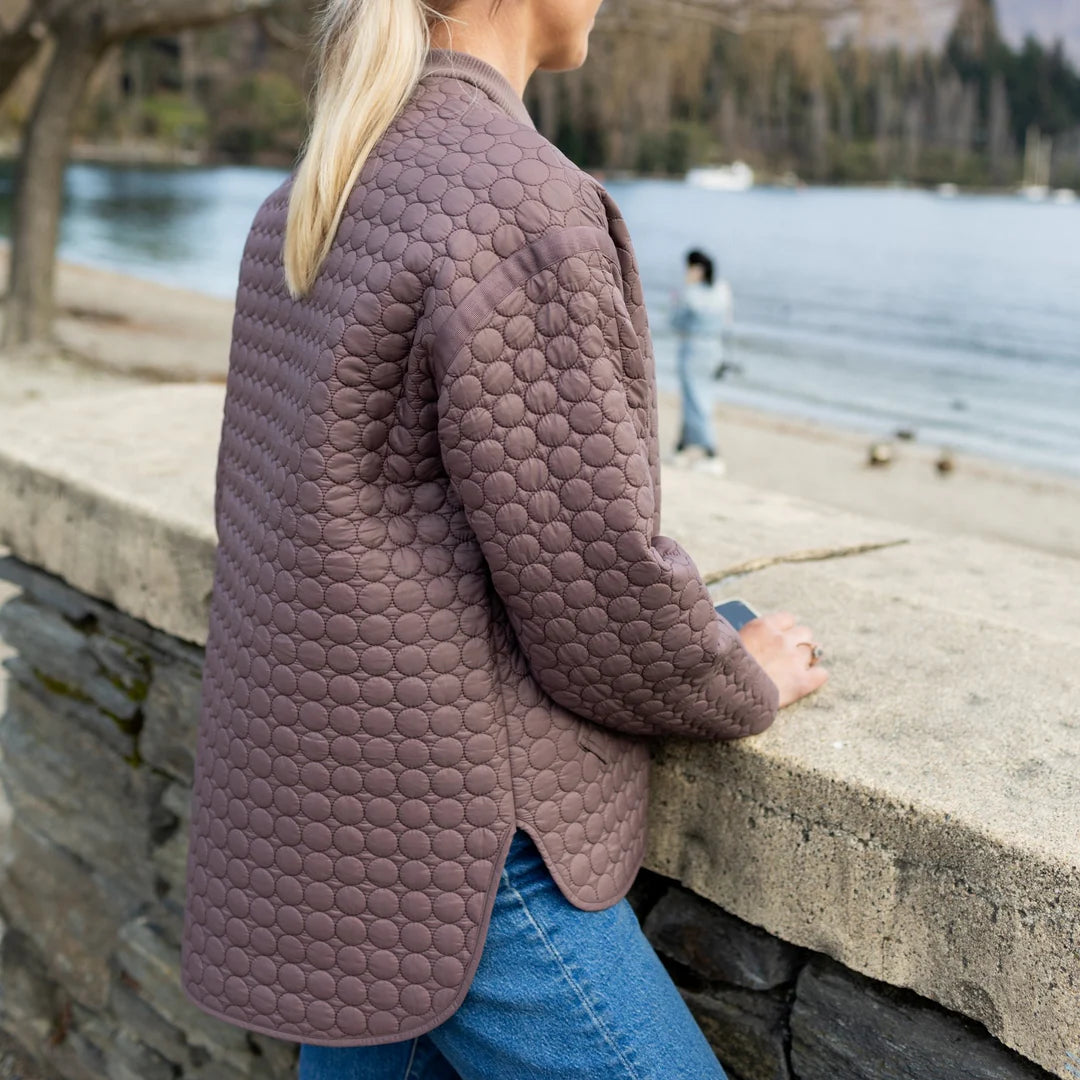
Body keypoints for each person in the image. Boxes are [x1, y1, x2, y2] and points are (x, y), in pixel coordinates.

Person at [178, 2, 830, 1078]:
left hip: (329, 821)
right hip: (470, 849)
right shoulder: (517, 201)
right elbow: (598, 582)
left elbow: (293, 523)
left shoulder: (314, 188)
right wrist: (735, 676)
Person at [670, 248, 734, 473]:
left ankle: (711, 452)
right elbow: (727, 324)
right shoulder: (723, 289)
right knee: (698, 399)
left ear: (696, 269)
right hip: (714, 350)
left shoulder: (690, 293)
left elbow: (676, 322)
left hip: (693, 350)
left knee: (697, 401)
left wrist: (680, 294)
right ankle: (681, 447)